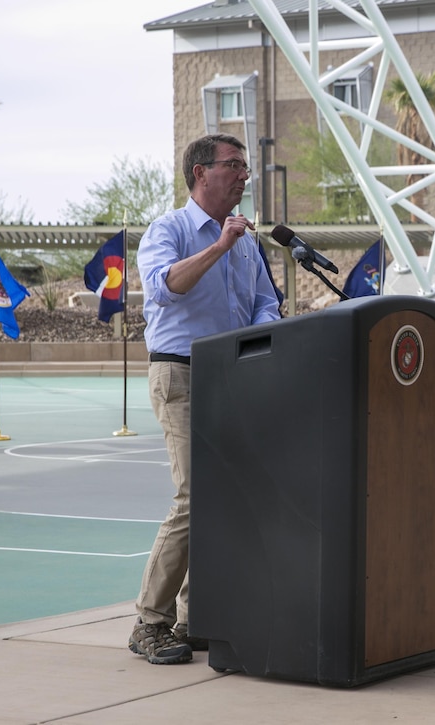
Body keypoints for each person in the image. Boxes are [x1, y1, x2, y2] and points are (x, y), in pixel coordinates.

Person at [128, 133, 282, 664]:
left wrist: (260, 337)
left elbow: (266, 303)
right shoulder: (168, 230)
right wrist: (218, 246)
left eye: (245, 166)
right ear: (200, 173)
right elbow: (166, 288)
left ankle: (196, 619)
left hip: (233, 374)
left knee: (228, 499)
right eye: (234, 165)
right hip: (181, 374)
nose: (244, 174)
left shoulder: (249, 241)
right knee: (195, 496)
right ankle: (150, 621)